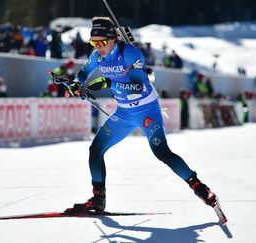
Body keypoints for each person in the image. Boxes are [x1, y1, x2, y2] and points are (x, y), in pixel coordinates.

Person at [63, 16, 219, 214]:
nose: (98, 46)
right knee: (95, 150)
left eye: (102, 42)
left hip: (147, 110)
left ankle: (199, 188)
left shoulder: (129, 53)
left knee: (162, 152)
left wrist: (109, 83)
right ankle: (98, 199)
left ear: (112, 38)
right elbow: (83, 73)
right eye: (94, 42)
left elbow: (137, 86)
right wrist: (76, 84)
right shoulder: (97, 56)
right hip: (125, 113)